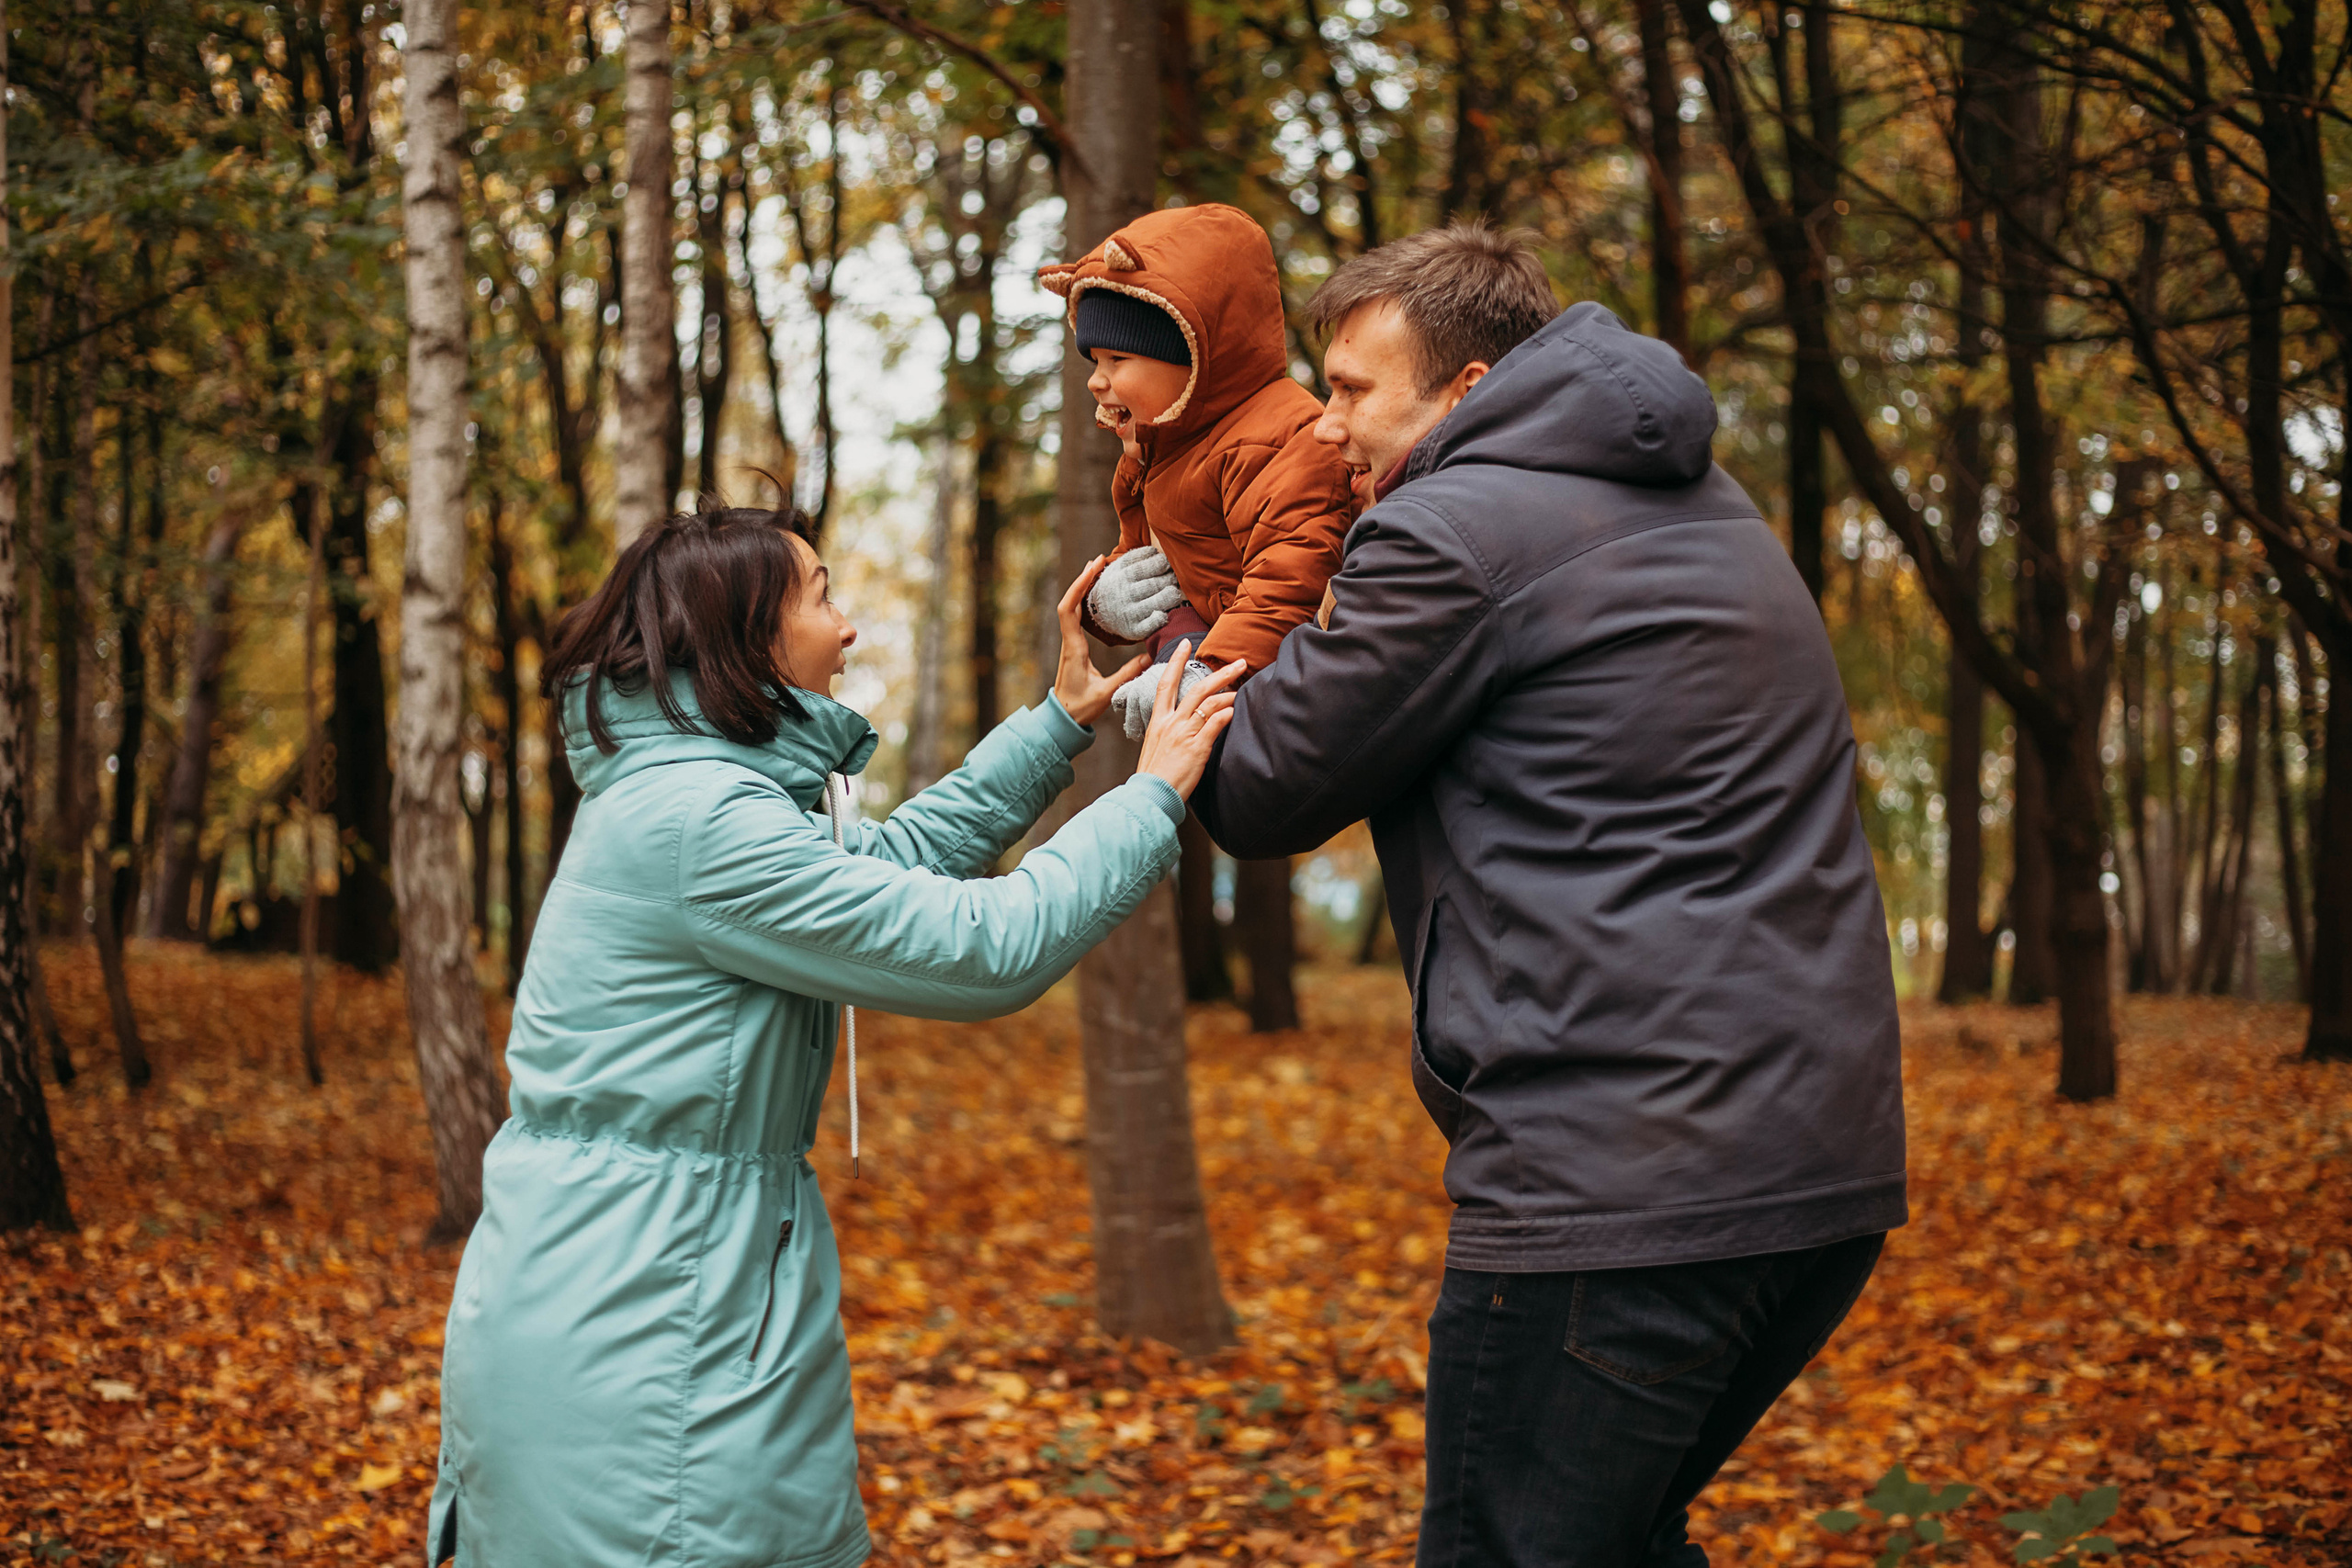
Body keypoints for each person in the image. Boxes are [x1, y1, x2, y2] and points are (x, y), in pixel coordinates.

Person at [1192, 224, 1908, 1568]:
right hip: (1819, 1170)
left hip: (1619, 1182)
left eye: (1351, 390)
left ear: (1466, 392)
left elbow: (1259, 787)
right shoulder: (1710, 507)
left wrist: (1195, 626)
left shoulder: (1455, 527)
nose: (1324, 426)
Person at [427, 500, 1242, 1568]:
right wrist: (1151, 798)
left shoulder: (694, 793)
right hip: (648, 1324)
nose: (848, 627)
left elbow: (888, 867)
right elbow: (986, 948)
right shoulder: (700, 824)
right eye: (822, 598)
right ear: (747, 636)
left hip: (650, 1286)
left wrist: (1060, 721)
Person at [1037, 201, 1357, 737]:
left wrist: (1206, 671)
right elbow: (1147, 559)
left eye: (1118, 360)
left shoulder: (1282, 436)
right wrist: (1104, 602)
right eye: (1094, 361)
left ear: (1191, 353)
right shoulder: (1156, 445)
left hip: (1270, 675)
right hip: (1209, 660)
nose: (1097, 380)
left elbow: (1292, 576)